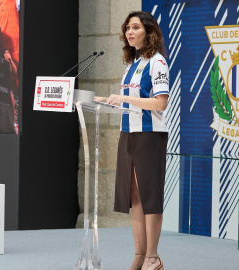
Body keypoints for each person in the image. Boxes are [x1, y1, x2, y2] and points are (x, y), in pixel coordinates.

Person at [95, 11, 169, 270]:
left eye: (135, 27)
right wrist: (105, 101)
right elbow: (130, 102)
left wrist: (124, 98)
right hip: (128, 133)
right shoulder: (132, 64)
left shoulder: (157, 62)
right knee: (135, 196)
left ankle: (153, 257)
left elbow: (160, 103)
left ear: (149, 32)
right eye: (127, 28)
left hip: (149, 136)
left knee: (149, 196)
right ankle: (140, 255)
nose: (129, 32)